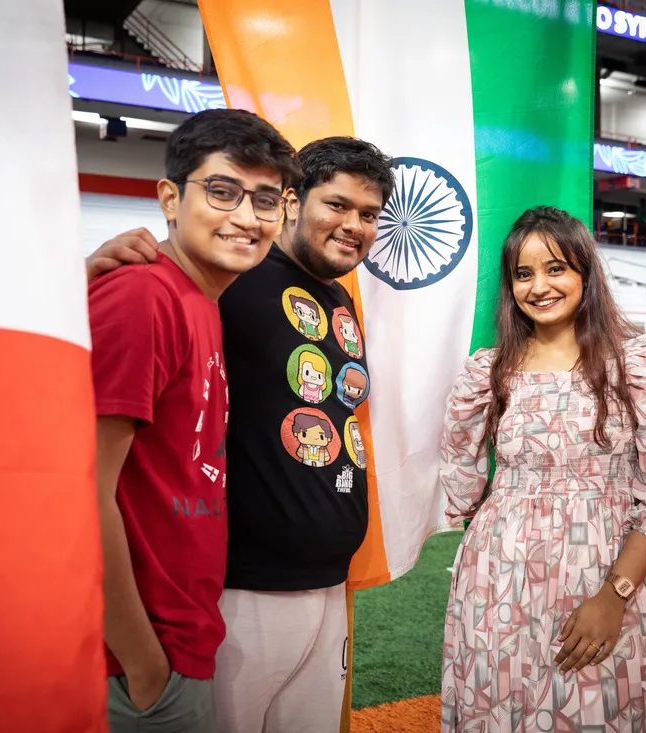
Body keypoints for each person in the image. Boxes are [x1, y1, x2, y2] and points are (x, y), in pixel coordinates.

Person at [87, 136, 395, 733]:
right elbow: (139, 308)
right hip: (242, 587)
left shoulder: (334, 295)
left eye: (368, 214)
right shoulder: (236, 277)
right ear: (295, 201)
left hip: (326, 583)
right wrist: (88, 270)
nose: (352, 225)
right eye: (336, 205)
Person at [439, 206, 646, 732]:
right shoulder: (489, 370)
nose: (539, 286)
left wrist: (613, 596)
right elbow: (460, 477)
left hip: (608, 575)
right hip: (498, 584)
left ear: (585, 272)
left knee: (602, 708)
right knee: (500, 705)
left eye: (555, 268)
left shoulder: (636, 363)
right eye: (523, 274)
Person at [88, 108, 297, 733]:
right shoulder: (142, 297)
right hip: (136, 664)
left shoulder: (199, 301)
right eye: (224, 191)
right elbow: (77, 491)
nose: (246, 217)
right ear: (170, 199)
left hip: (178, 642)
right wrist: (141, 658)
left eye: (265, 199)